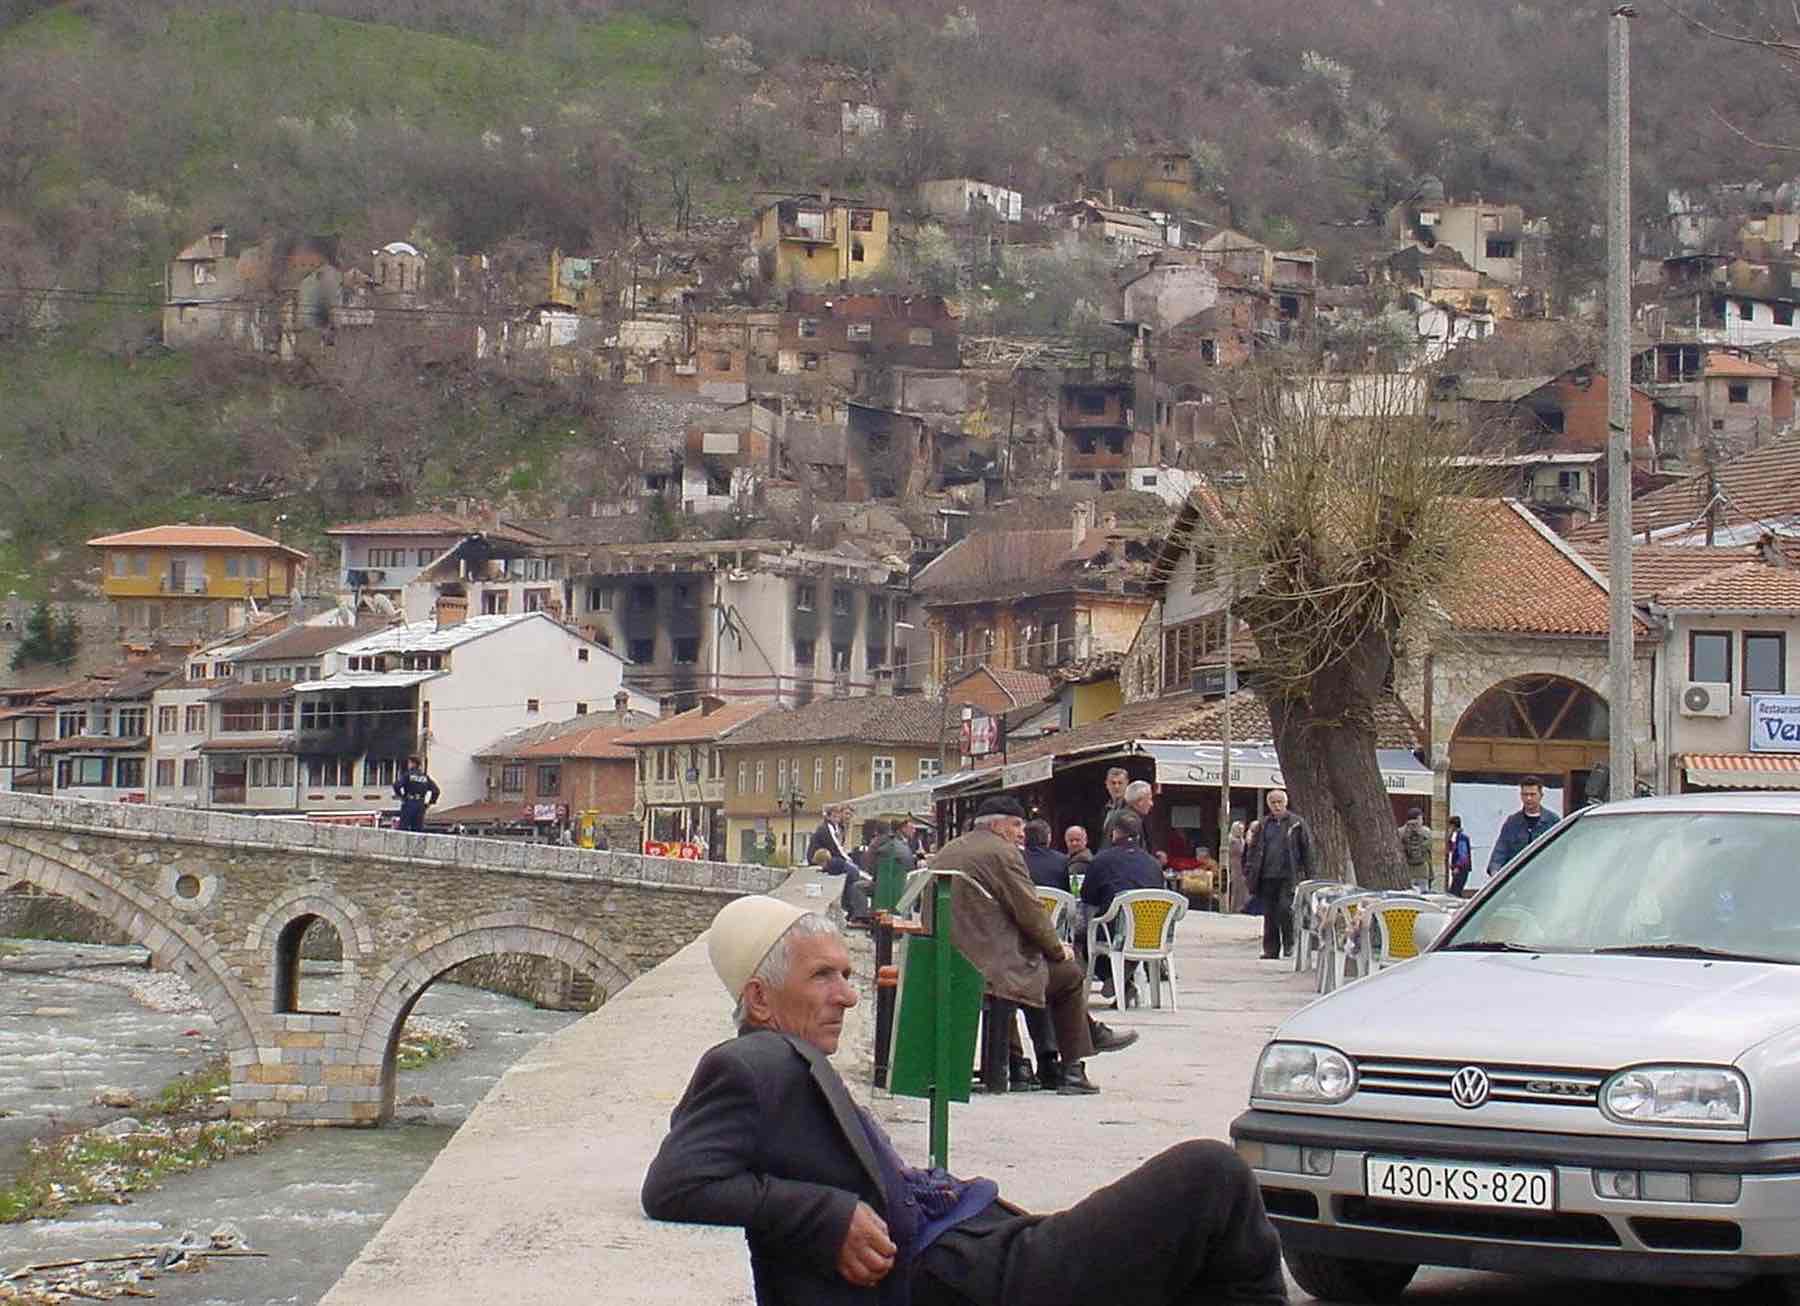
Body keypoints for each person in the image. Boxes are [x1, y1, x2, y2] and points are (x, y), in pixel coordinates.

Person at [643, 896, 1288, 1306]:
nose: (849, 994)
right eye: (822, 976)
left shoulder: (782, 1059)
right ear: (759, 999)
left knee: (1200, 1245)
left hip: (980, 1247)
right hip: (963, 1274)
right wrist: (823, 1215)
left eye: (845, 973)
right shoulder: (750, 1062)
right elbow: (675, 1183)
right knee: (1212, 1176)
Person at [936, 796, 1137, 1094]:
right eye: (1017, 825)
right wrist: (1057, 948)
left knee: (1037, 969)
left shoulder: (949, 849)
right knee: (1067, 974)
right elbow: (1029, 910)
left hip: (953, 961)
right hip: (991, 970)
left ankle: (1029, 1064)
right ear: (996, 825)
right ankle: (1072, 1070)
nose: (1022, 833)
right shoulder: (1002, 853)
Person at [1243, 789, 1313, 960]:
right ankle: (1271, 949)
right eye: (1273, 802)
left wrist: (1309, 875)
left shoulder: (1296, 823)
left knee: (1285, 909)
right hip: (1267, 876)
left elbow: (1307, 850)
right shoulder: (1263, 824)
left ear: (1285, 803)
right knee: (1269, 914)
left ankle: (1289, 943)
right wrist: (1249, 871)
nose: (1277, 806)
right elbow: (1253, 850)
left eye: (1279, 802)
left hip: (1288, 875)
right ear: (1269, 804)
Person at [1487, 775, 1560, 876]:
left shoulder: (1552, 821)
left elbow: (1560, 852)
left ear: (1541, 795)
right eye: (1525, 794)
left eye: (1532, 794)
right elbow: (1500, 851)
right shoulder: (1512, 822)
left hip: (1545, 877)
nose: (1528, 798)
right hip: (1517, 878)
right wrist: (1495, 872)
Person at [392, 756, 439, 832]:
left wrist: (401, 797)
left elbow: (396, 785)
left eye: (409, 763)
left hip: (409, 803)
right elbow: (436, 791)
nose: (408, 765)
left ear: (413, 764)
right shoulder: (425, 777)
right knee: (417, 830)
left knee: (403, 828)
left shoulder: (408, 775)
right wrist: (430, 803)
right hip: (420, 805)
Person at [1021, 819, 1070, 892]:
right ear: (1049, 837)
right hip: (1055, 898)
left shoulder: (1015, 859)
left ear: (1024, 837)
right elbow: (1066, 892)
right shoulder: (1062, 860)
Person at [1396, 806, 1434, 887]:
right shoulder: (1426, 832)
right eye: (1421, 818)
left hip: (1406, 870)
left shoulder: (1400, 832)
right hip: (1422, 871)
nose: (1422, 820)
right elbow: (1429, 850)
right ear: (1418, 818)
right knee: (1423, 893)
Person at [1445, 814, 1473, 896]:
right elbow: (1451, 849)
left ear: (1453, 826)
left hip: (1461, 869)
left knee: (1454, 892)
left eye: (1449, 826)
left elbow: (1463, 854)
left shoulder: (1461, 838)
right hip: (1458, 869)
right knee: (1455, 891)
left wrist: (1458, 867)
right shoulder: (1454, 836)